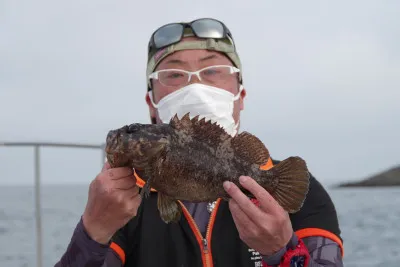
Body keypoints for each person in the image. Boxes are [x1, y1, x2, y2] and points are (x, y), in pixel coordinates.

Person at [54, 18, 344, 267]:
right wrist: (93, 231)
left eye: (213, 71)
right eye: (174, 74)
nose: (195, 86)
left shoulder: (302, 194)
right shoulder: (122, 205)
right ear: (151, 104)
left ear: (240, 96)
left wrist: (282, 250)